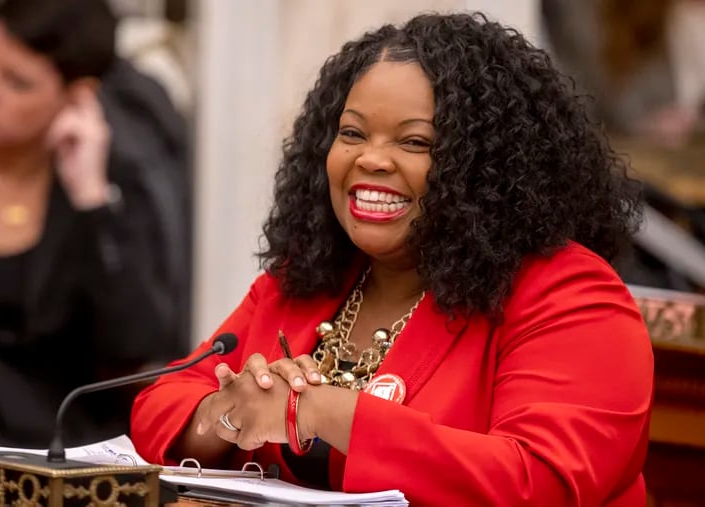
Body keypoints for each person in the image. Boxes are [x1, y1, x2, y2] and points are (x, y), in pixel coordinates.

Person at [131, 12, 654, 506]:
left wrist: (324, 412)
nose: (371, 159)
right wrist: (224, 416)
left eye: (414, 142)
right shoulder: (308, 279)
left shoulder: (570, 295)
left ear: (487, 166)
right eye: (352, 133)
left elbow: (538, 483)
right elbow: (163, 401)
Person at [0, 0, 188, 447]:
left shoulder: (115, 183)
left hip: (52, 452)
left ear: (77, 93)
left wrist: (92, 199)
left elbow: (138, 343)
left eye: (17, 83)